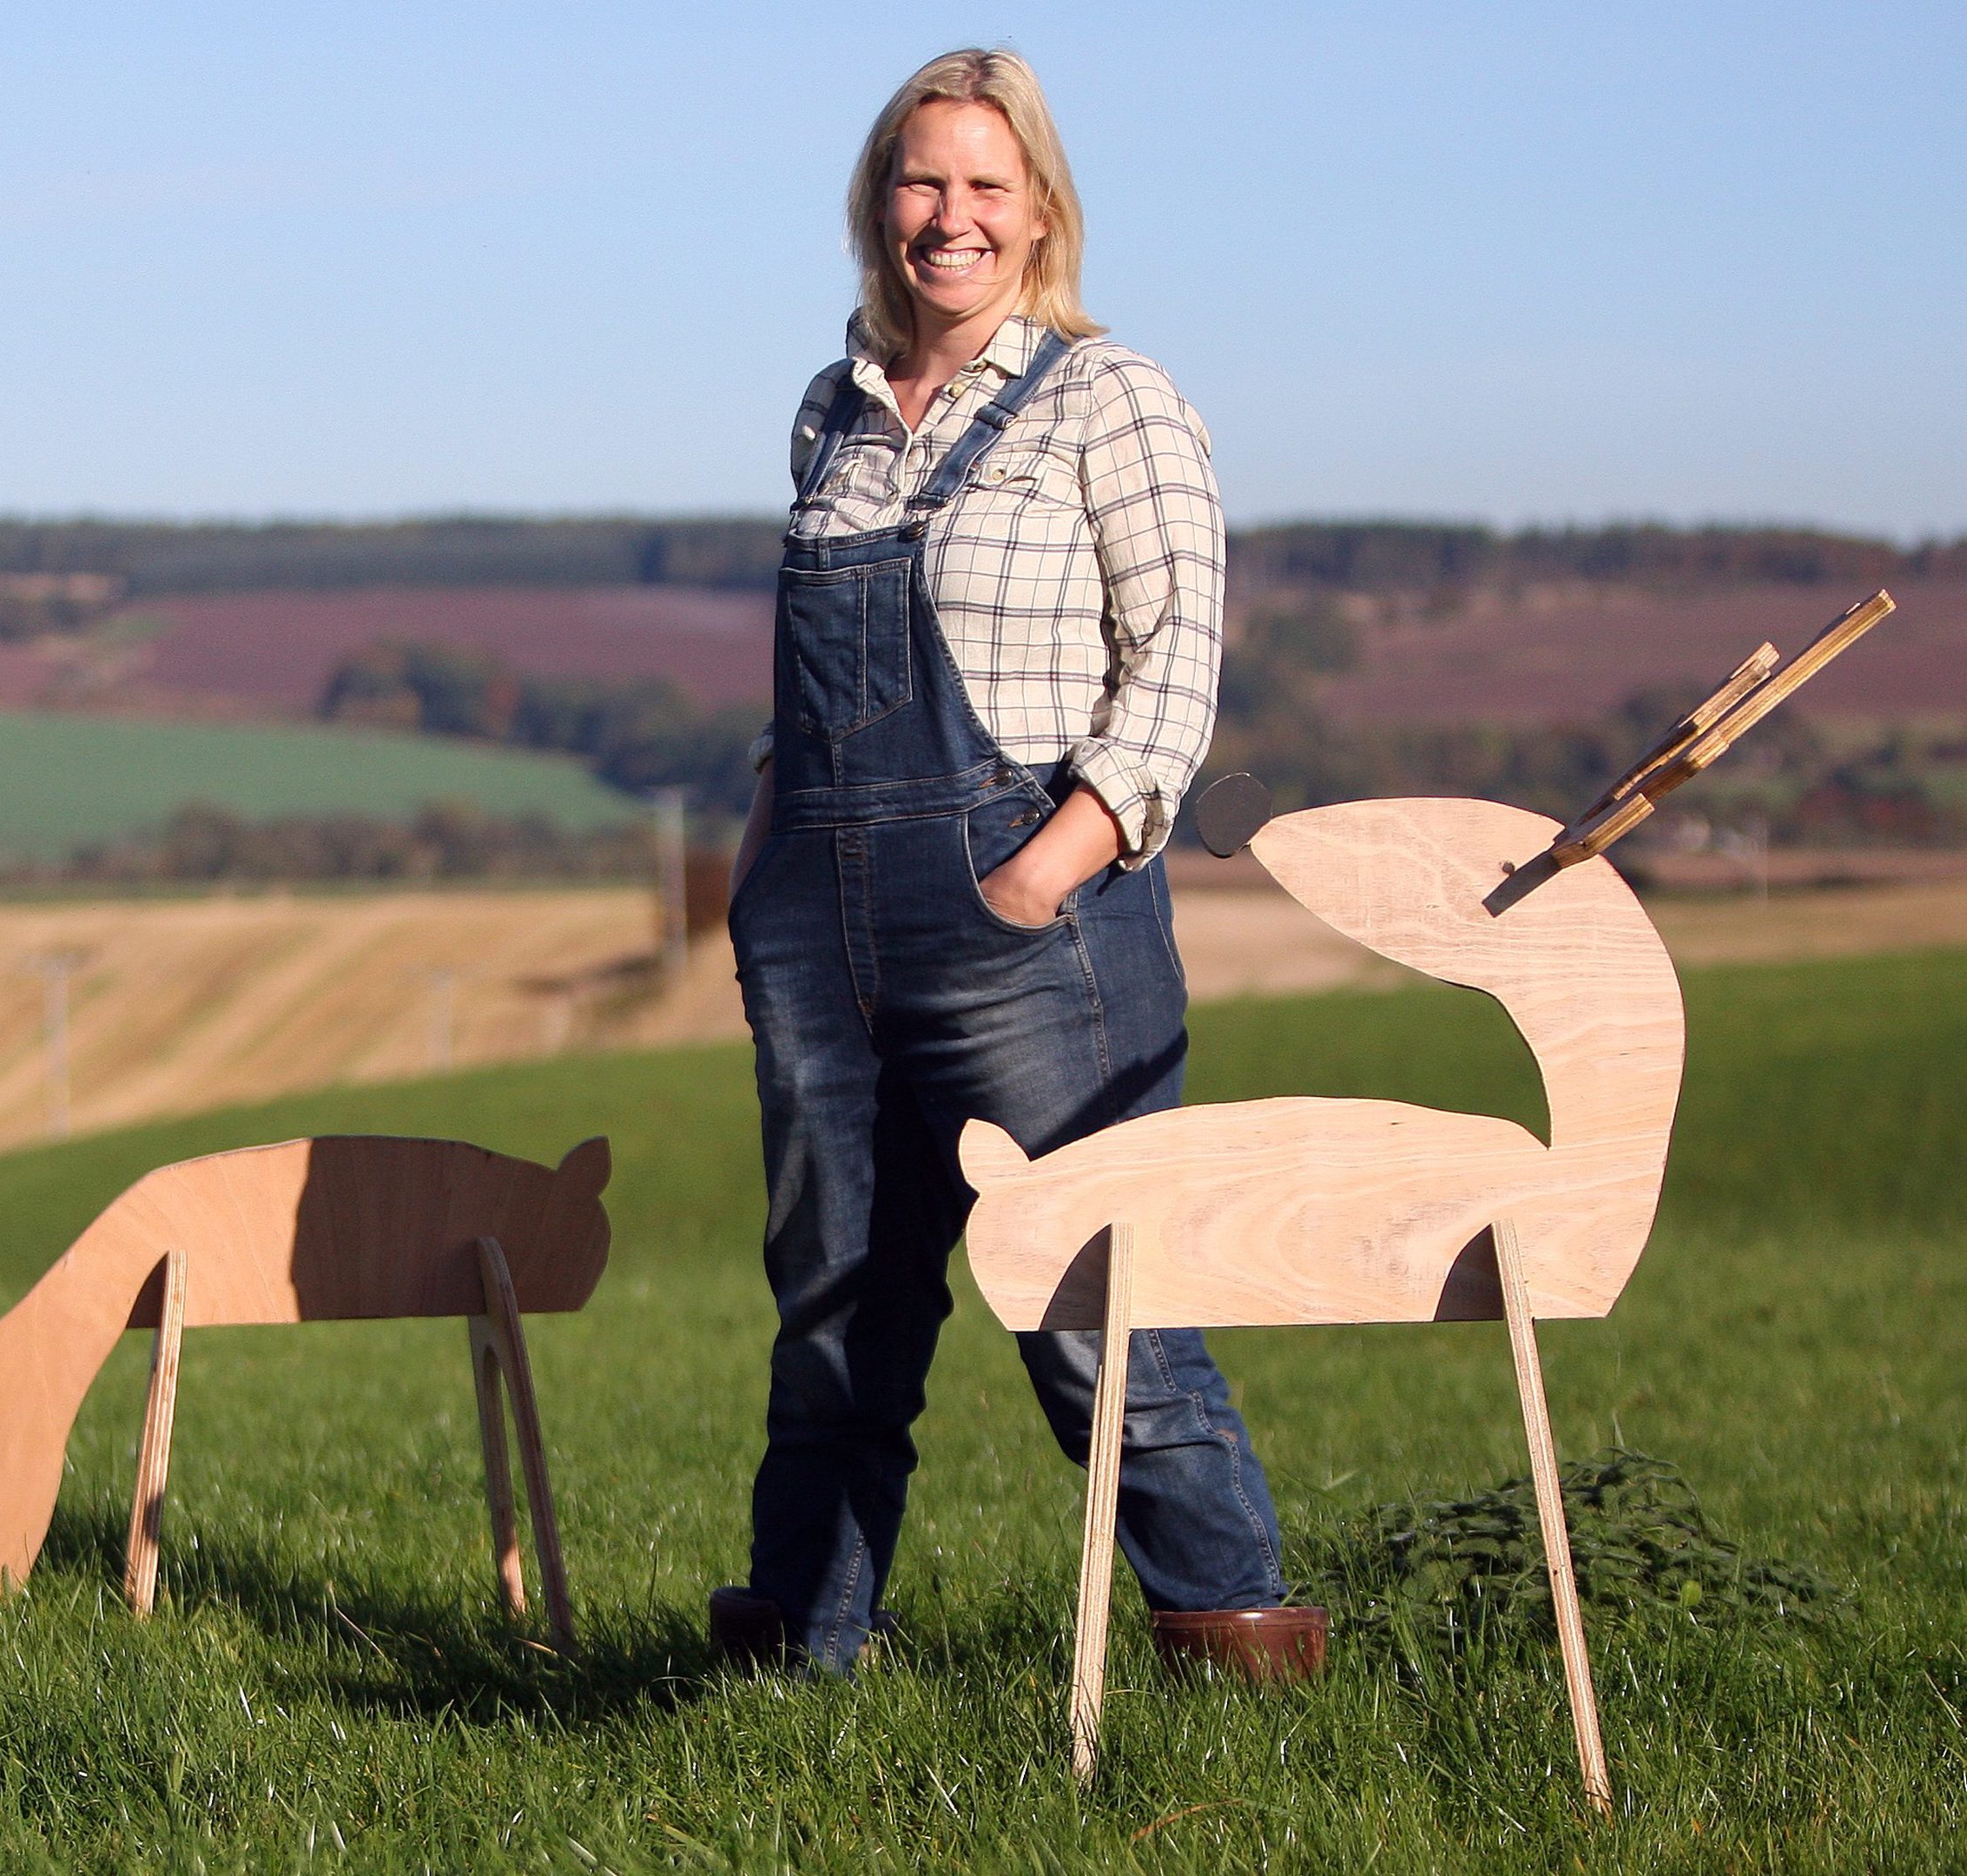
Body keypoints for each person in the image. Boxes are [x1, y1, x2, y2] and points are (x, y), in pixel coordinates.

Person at [712, 47, 1321, 1676]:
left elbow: (1177, 671)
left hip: (1026, 926)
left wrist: (1039, 874)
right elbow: (802, 700)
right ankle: (802, 1655)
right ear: (877, 202)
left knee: (1089, 1305)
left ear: (1040, 208)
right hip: (818, 933)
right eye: (923, 181)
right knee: (837, 1302)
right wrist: (761, 872)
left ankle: (1232, 1643)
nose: (951, 216)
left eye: (987, 185)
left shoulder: (1109, 398)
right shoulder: (827, 412)